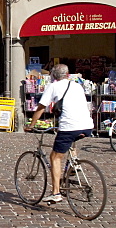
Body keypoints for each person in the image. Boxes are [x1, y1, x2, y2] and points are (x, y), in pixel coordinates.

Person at [25, 63, 93, 204]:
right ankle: (74, 165)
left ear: (53, 76)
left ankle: (55, 193)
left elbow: (41, 107)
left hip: (69, 126)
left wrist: (31, 125)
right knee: (70, 143)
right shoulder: (76, 85)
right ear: (67, 75)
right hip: (87, 125)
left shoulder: (53, 86)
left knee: (55, 157)